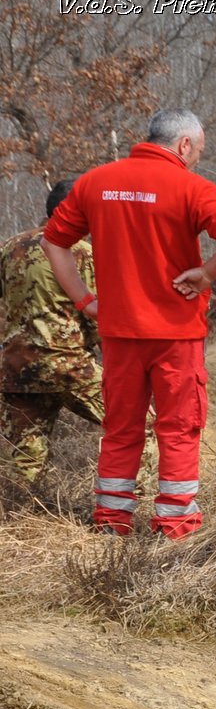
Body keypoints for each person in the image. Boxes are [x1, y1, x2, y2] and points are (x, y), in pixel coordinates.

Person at [42, 107, 216, 537]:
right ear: (183, 144)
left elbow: (54, 242)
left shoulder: (95, 182)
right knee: (178, 428)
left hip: (119, 333)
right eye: (198, 151)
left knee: (120, 428)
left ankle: (112, 521)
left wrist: (84, 301)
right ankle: (175, 524)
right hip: (177, 333)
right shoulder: (193, 187)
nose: (197, 159)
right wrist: (208, 273)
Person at [0, 178, 103, 484]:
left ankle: (22, 525)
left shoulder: (9, 247)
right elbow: (100, 316)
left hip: (18, 369)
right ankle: (138, 503)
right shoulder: (82, 252)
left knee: (25, 460)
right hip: (71, 368)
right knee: (139, 426)